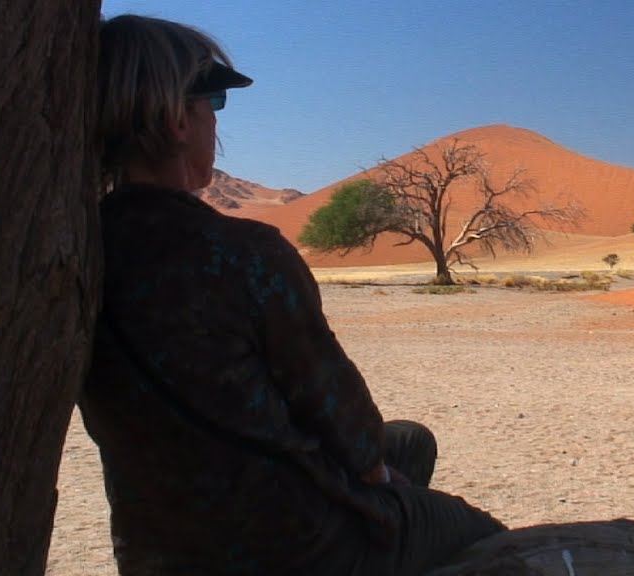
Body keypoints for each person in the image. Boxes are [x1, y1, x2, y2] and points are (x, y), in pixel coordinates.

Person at [80, 14, 505, 576]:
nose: (215, 122)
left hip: (159, 546)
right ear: (175, 118)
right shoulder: (243, 253)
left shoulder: (76, 252)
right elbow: (332, 401)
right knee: (485, 539)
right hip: (295, 543)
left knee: (409, 442)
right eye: (213, 104)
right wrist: (379, 482)